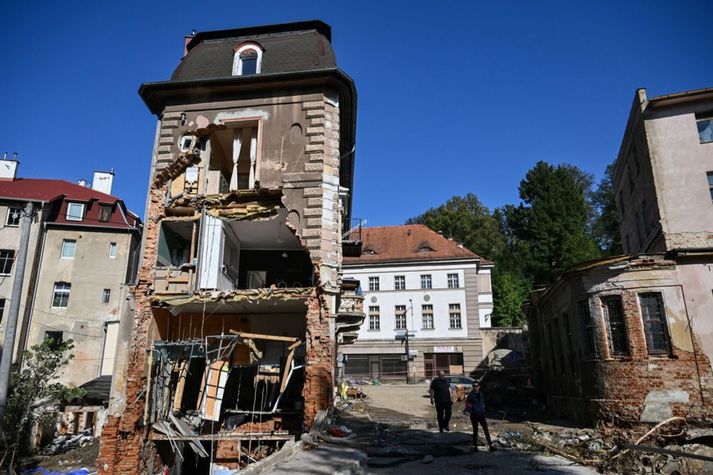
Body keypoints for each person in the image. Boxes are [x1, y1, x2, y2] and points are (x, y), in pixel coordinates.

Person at [465, 381, 495, 451]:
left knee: (486, 429)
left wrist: (483, 407)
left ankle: (490, 445)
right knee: (475, 430)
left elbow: (483, 402)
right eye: (473, 386)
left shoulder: (481, 394)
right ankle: (475, 446)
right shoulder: (471, 395)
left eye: (476, 386)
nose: (475, 387)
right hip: (474, 415)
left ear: (479, 386)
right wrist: (471, 409)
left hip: (481, 414)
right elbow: (467, 404)